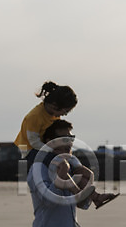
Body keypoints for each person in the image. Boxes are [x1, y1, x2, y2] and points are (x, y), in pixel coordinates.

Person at [17, 81, 118, 209]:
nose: (63, 116)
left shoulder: (52, 115)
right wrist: (53, 152)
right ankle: (78, 194)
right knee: (63, 165)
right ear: (54, 106)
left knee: (76, 167)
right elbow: (34, 142)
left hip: (46, 148)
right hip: (32, 151)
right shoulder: (34, 116)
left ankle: (96, 197)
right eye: (64, 112)